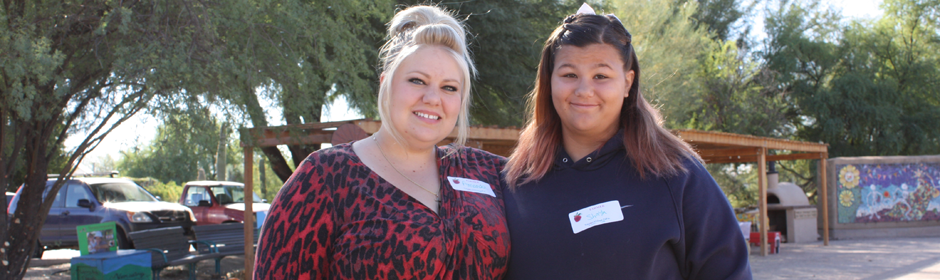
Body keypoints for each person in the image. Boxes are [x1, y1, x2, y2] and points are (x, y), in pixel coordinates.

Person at [254, 5, 509, 280]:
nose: (433, 98)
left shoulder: (485, 170)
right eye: (417, 80)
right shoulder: (325, 177)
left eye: (449, 87)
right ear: (386, 84)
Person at [501, 4, 752, 279]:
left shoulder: (675, 175)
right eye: (569, 75)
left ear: (627, 83)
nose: (584, 90)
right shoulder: (515, 182)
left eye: (601, 76)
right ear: (549, 82)